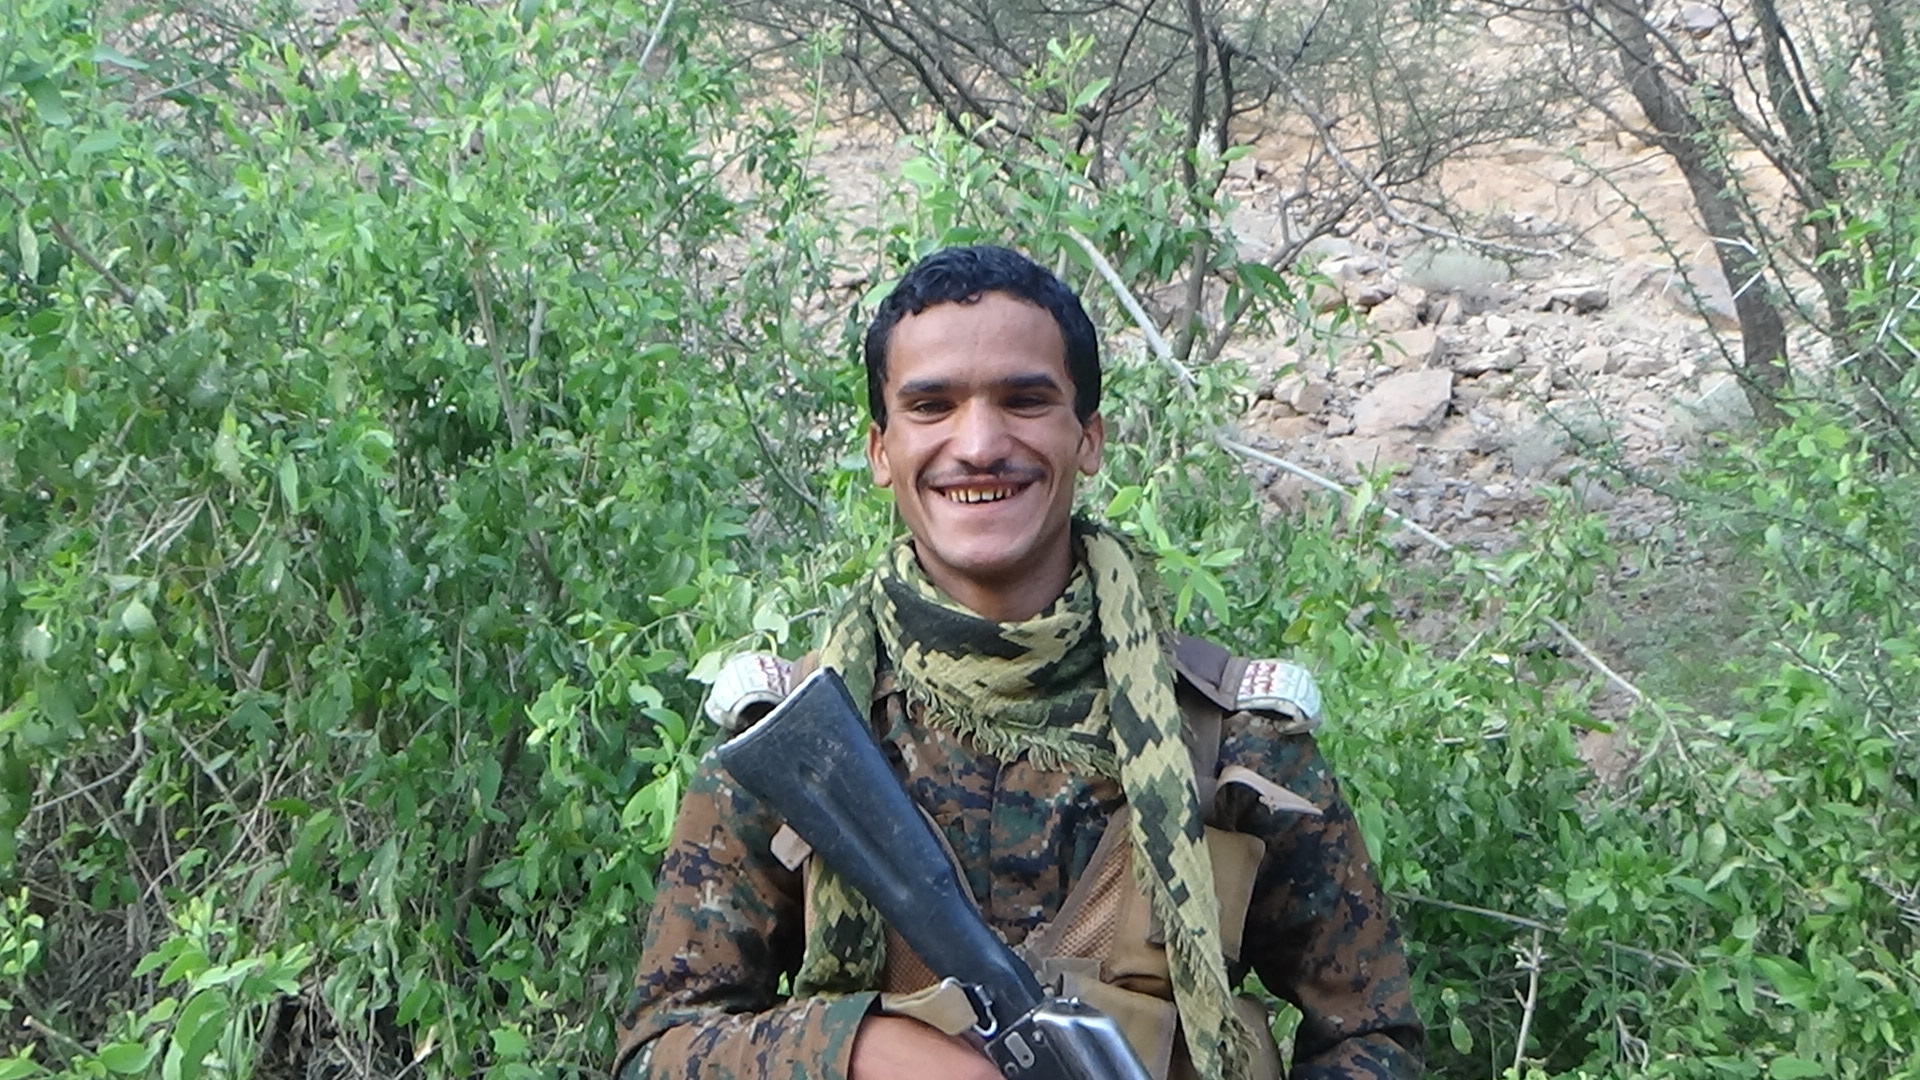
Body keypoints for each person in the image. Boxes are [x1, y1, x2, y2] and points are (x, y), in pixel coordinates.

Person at [612, 245, 1425, 1080]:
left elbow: (1375, 1039)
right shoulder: (800, 745)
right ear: (881, 450)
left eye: (1025, 400)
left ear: (1088, 438)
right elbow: (657, 1051)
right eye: (931, 406)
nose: (978, 444)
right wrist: (862, 1051)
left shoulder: (1232, 743)